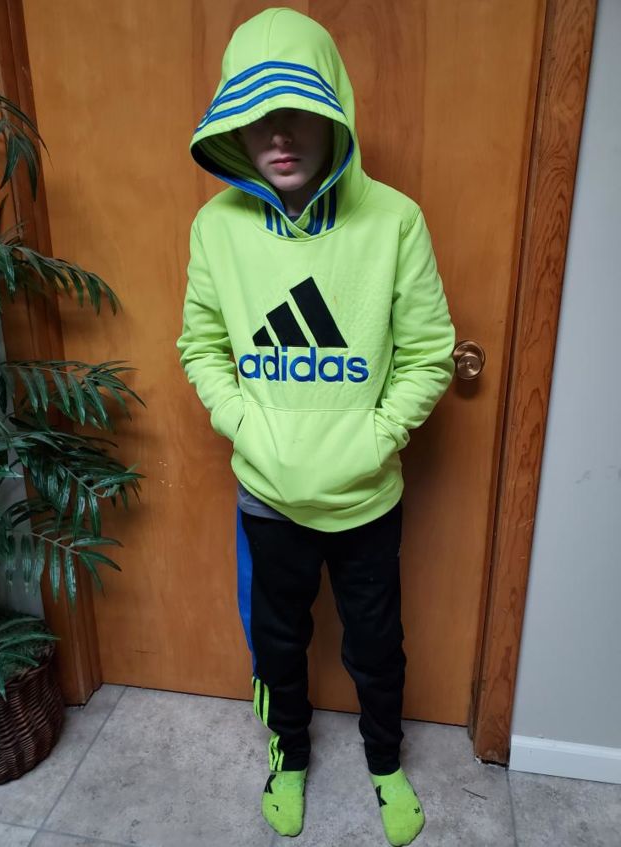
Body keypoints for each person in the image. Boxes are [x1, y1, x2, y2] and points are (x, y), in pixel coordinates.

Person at [176, 7, 456, 846]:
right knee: (277, 645)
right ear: (233, 125)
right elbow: (201, 347)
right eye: (256, 113)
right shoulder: (216, 228)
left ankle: (386, 763)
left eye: (297, 109)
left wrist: (375, 440)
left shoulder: (395, 221)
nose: (278, 133)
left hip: (367, 498)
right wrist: (246, 427)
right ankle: (288, 756)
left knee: (377, 645)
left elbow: (429, 354)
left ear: (334, 111)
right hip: (267, 497)